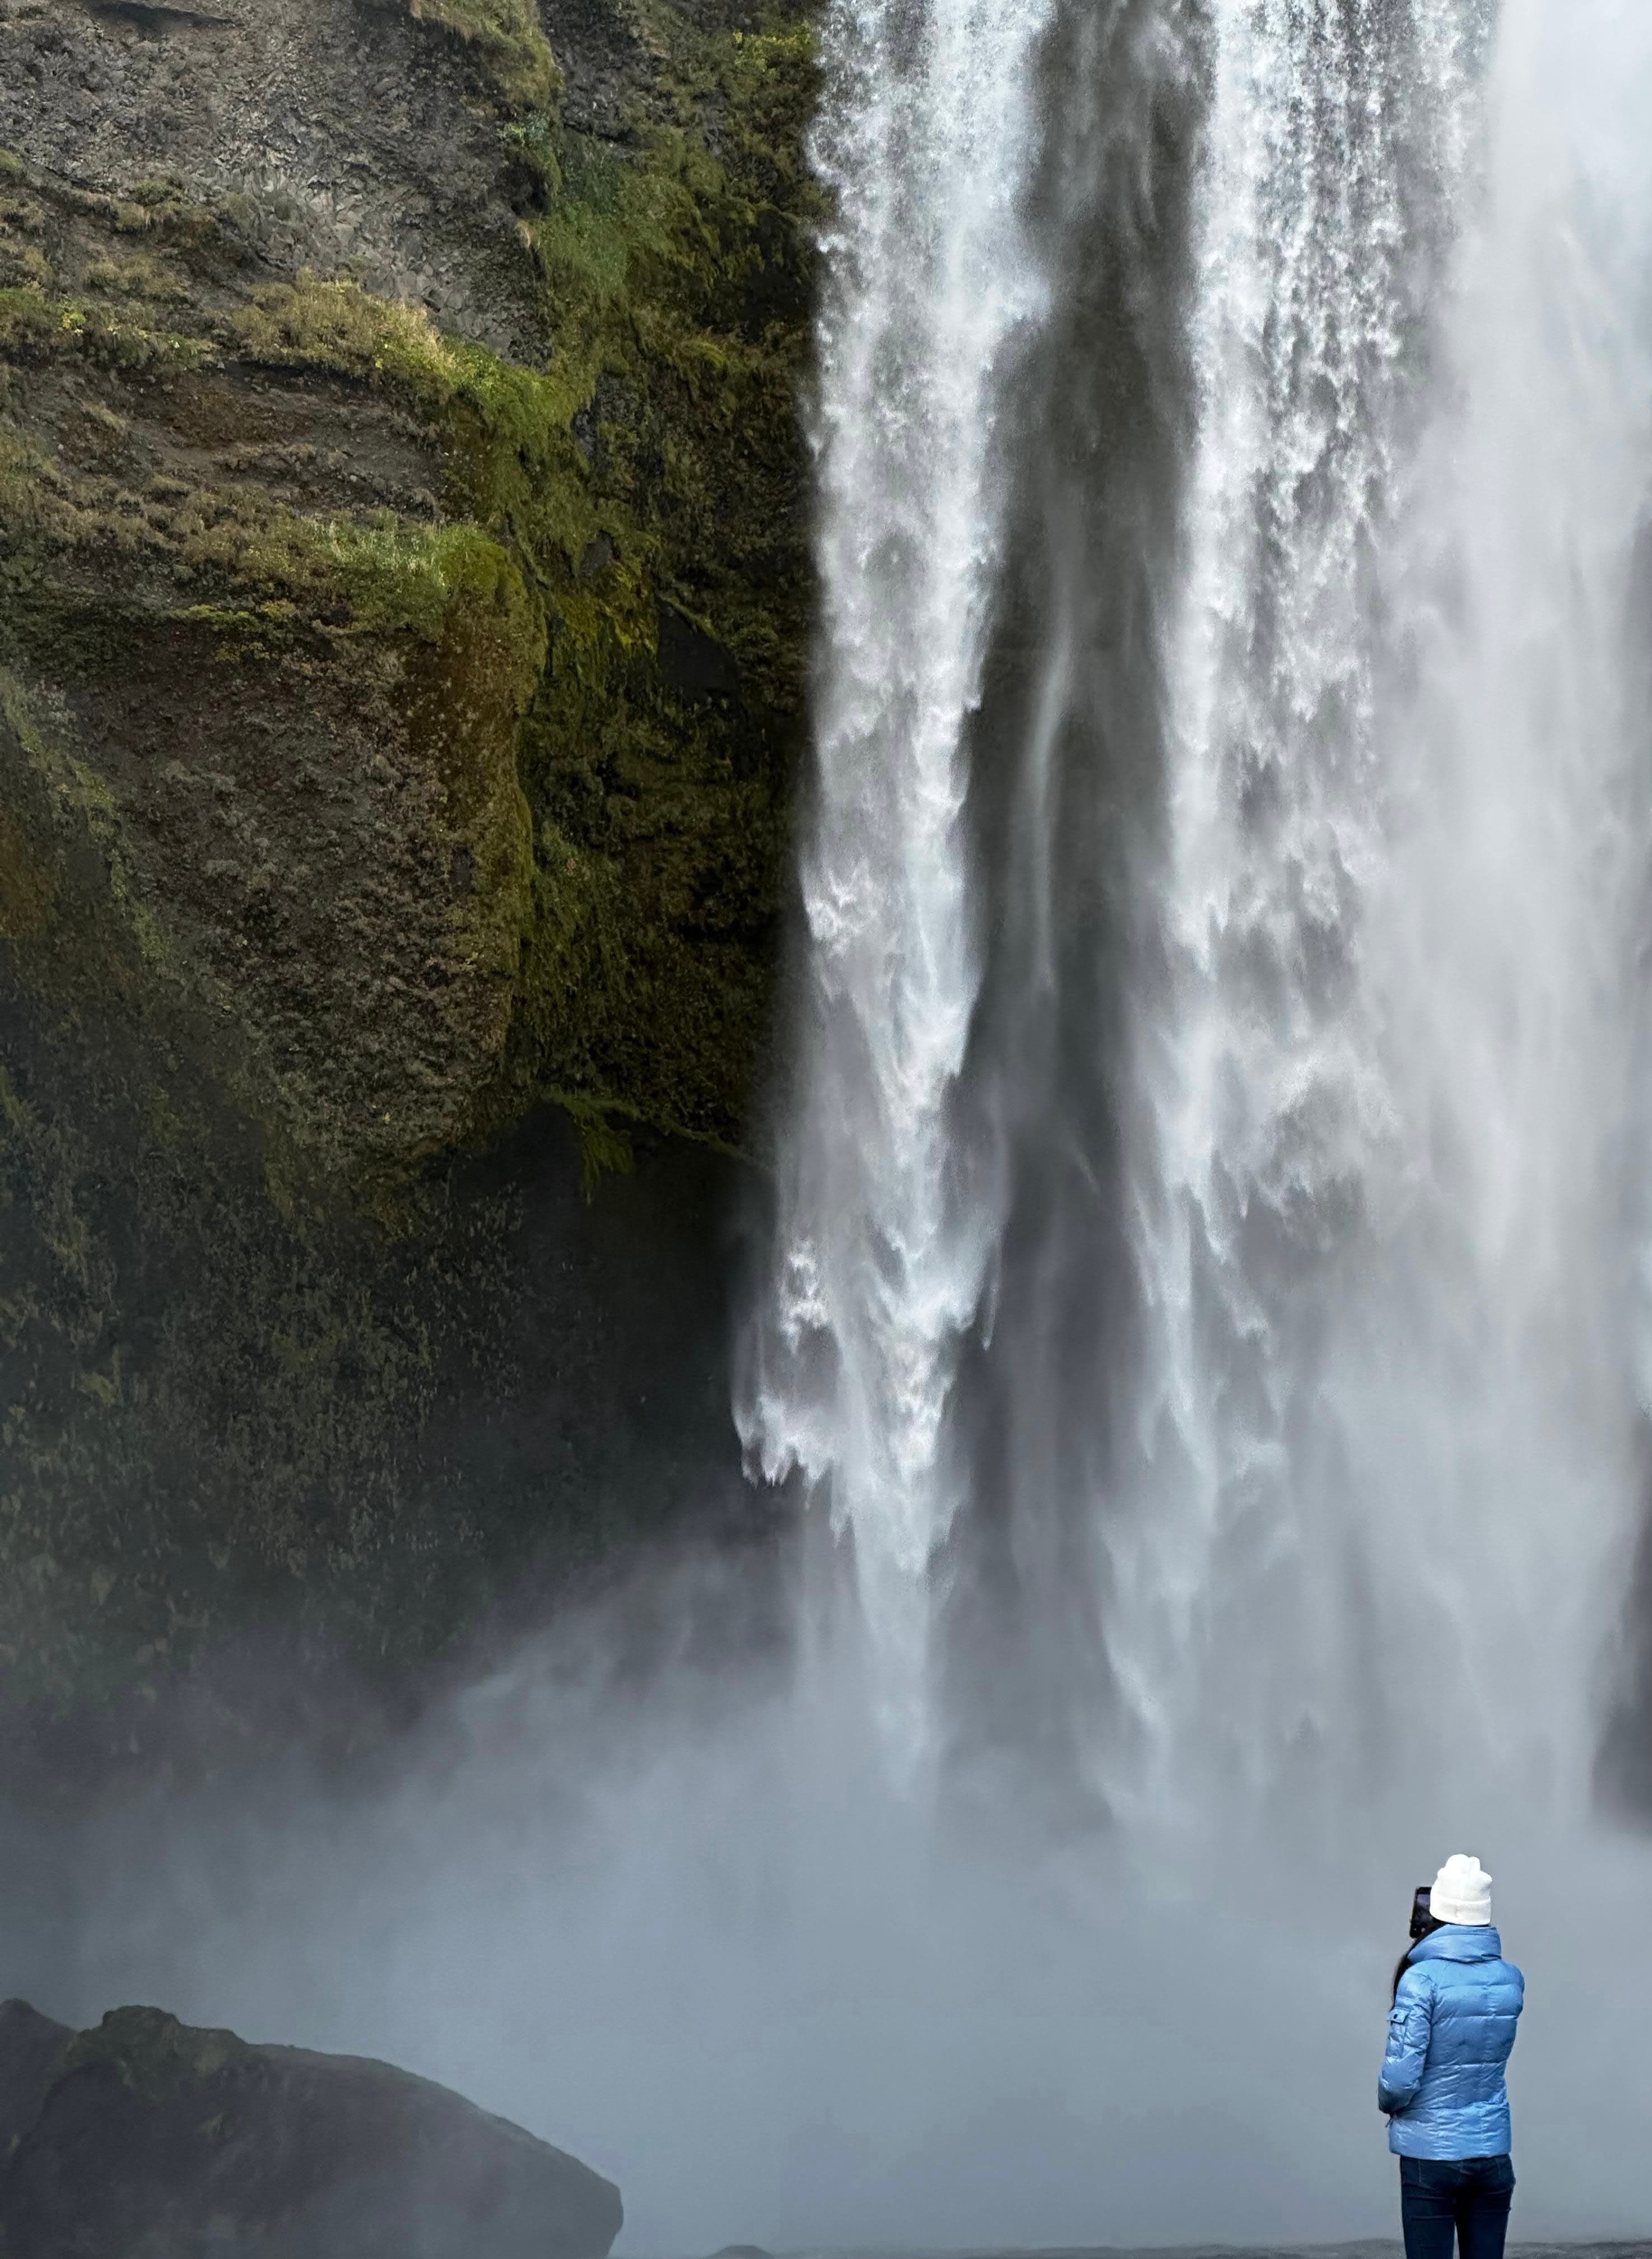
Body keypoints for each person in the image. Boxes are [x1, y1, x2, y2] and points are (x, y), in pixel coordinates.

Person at [1379, 1853, 1525, 2259]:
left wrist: (1388, 2106)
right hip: (1492, 2153)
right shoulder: (1510, 1977)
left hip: (1431, 2156)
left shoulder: (1420, 1979)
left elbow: (1399, 2080)